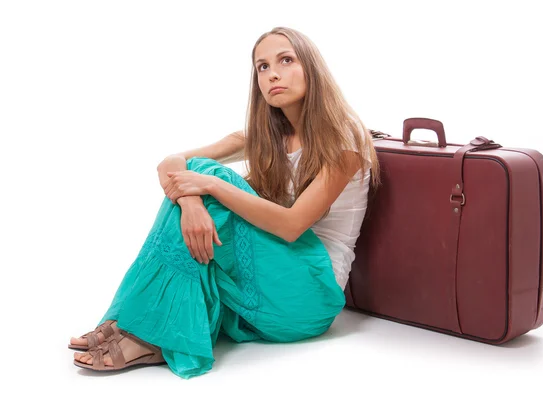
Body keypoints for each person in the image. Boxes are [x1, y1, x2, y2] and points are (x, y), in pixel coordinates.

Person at [68, 26, 382, 379]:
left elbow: (292, 226)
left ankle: (143, 330)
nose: (272, 73)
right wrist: (191, 203)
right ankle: (139, 325)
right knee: (202, 173)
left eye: (286, 60)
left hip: (310, 292)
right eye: (262, 67)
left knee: (210, 175)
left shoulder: (345, 137)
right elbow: (171, 162)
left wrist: (211, 187)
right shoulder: (266, 136)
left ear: (312, 68)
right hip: (272, 279)